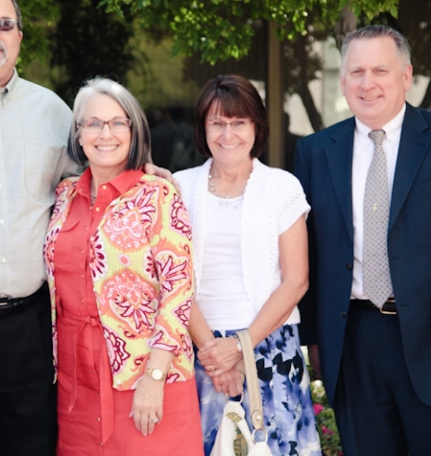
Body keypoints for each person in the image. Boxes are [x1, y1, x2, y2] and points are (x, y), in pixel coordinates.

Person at [294, 25, 431, 455]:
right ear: (343, 79)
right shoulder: (316, 151)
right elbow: (310, 254)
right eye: (356, 72)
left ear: (406, 76)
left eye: (379, 70)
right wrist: (315, 339)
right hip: (353, 343)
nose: (366, 83)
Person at [43, 78, 203, 455]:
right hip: (74, 380)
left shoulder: (157, 194)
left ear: (135, 131)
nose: (106, 133)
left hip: (145, 377)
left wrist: (155, 376)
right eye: (93, 123)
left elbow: (179, 292)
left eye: (118, 122)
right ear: (78, 134)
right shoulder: (65, 195)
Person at [173, 75, 321, 456]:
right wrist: (215, 354)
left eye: (238, 122)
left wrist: (240, 346)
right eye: (216, 122)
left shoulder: (282, 187)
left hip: (269, 347)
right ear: (202, 127)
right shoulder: (177, 187)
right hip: (198, 350)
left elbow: (296, 281)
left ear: (257, 126)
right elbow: (171, 281)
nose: (227, 134)